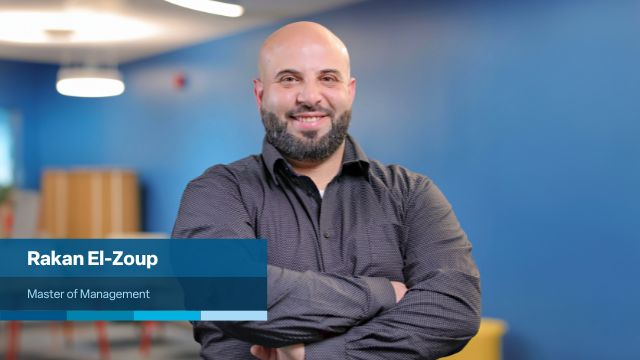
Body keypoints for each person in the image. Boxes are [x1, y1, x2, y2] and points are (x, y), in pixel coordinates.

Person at [172, 21, 481, 360]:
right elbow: (226, 291)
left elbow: (454, 308)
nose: (309, 96)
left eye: (327, 78)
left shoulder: (411, 194)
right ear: (261, 94)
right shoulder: (216, 191)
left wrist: (314, 354)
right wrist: (381, 294)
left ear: (349, 91)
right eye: (289, 79)